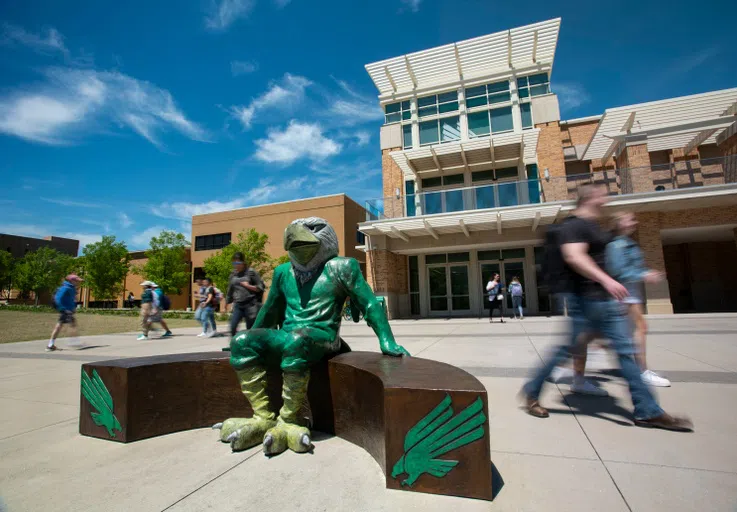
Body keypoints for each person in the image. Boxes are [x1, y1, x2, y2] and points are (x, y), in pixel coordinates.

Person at [521, 184, 692, 432]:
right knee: (566, 351)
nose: (606, 196)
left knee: (624, 351)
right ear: (589, 197)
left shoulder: (593, 227)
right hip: (586, 301)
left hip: (603, 301)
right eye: (602, 193)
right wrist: (607, 280)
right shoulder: (574, 225)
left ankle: (647, 411)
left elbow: (601, 254)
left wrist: (619, 239)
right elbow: (574, 256)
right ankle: (532, 391)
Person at [607, 211, 670, 387]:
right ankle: (641, 371)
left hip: (630, 293)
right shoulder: (617, 246)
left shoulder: (627, 243)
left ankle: (596, 350)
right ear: (620, 223)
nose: (634, 222)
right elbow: (618, 271)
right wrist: (644, 274)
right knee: (639, 328)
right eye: (630, 219)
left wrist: (645, 273)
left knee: (626, 331)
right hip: (624, 293)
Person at [226, 252, 265, 336]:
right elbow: (230, 289)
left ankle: (250, 345)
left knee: (250, 329)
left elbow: (260, 287)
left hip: (250, 304)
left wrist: (248, 286)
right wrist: (227, 301)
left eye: (239, 263)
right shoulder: (233, 274)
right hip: (238, 304)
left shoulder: (251, 272)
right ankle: (234, 345)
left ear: (243, 262)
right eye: (234, 263)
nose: (237, 265)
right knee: (233, 326)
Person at [47, 274, 83, 351]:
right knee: (71, 324)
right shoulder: (66, 288)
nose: (78, 282)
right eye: (77, 281)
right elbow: (58, 298)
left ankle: (51, 344)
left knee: (60, 326)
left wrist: (73, 307)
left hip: (67, 310)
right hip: (65, 310)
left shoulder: (71, 288)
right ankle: (73, 342)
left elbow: (71, 299)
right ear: (71, 280)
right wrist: (63, 308)